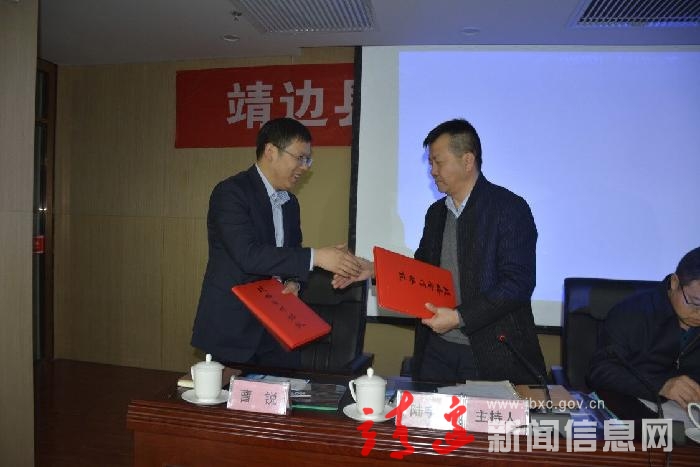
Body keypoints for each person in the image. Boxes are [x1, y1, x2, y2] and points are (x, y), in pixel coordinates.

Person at [335, 118, 546, 384]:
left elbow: (517, 283)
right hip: (436, 348)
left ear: (467, 161)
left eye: (438, 162)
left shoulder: (509, 209)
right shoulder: (436, 213)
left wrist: (459, 317)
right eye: (430, 163)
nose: (432, 171)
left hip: (488, 352)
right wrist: (374, 270)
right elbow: (422, 271)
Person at [191, 117, 361, 368]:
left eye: (308, 160)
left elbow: (290, 253)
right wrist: (317, 257)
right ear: (271, 151)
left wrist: (294, 282)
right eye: (300, 158)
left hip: (278, 331)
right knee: (228, 394)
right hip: (232, 330)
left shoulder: (290, 203)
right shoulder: (231, 192)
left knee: (284, 391)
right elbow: (248, 255)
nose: (304, 167)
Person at [588, 247, 700, 408]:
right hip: (633, 405)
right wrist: (661, 385)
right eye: (695, 302)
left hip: (691, 410)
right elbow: (601, 371)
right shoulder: (631, 313)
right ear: (675, 283)